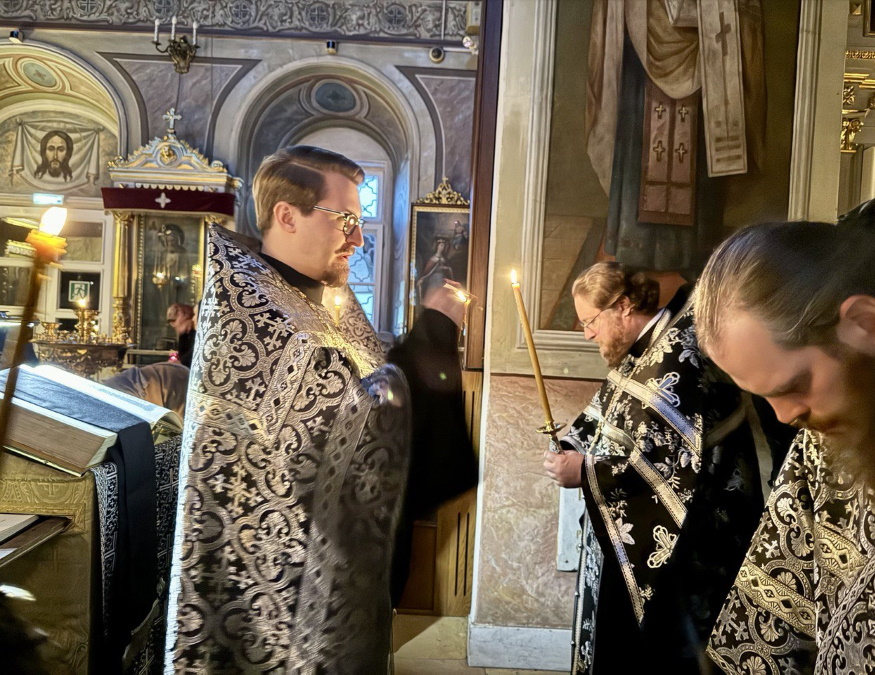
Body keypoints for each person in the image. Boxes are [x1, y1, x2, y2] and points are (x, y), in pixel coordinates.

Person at [165, 146, 477, 673]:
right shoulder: (254, 308)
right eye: (345, 220)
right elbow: (363, 421)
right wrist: (434, 333)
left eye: (359, 222)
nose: (358, 239)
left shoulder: (316, 298)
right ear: (287, 215)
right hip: (275, 594)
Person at [694, 202, 875, 674]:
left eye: (795, 385)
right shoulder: (820, 445)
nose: (786, 416)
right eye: (765, 398)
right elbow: (764, 633)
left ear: (867, 322)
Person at [542, 262, 764, 674]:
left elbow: (669, 463)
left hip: (685, 541)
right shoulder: (643, 347)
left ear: (624, 306)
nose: (587, 333)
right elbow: (606, 409)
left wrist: (585, 472)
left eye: (590, 321)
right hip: (633, 532)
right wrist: (572, 442)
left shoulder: (675, 357)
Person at [165, 302, 195, 369]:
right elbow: (182, 354)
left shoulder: (198, 333)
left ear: (182, 314)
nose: (174, 325)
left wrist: (180, 362)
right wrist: (182, 335)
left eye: (174, 320)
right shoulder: (186, 335)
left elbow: (195, 352)